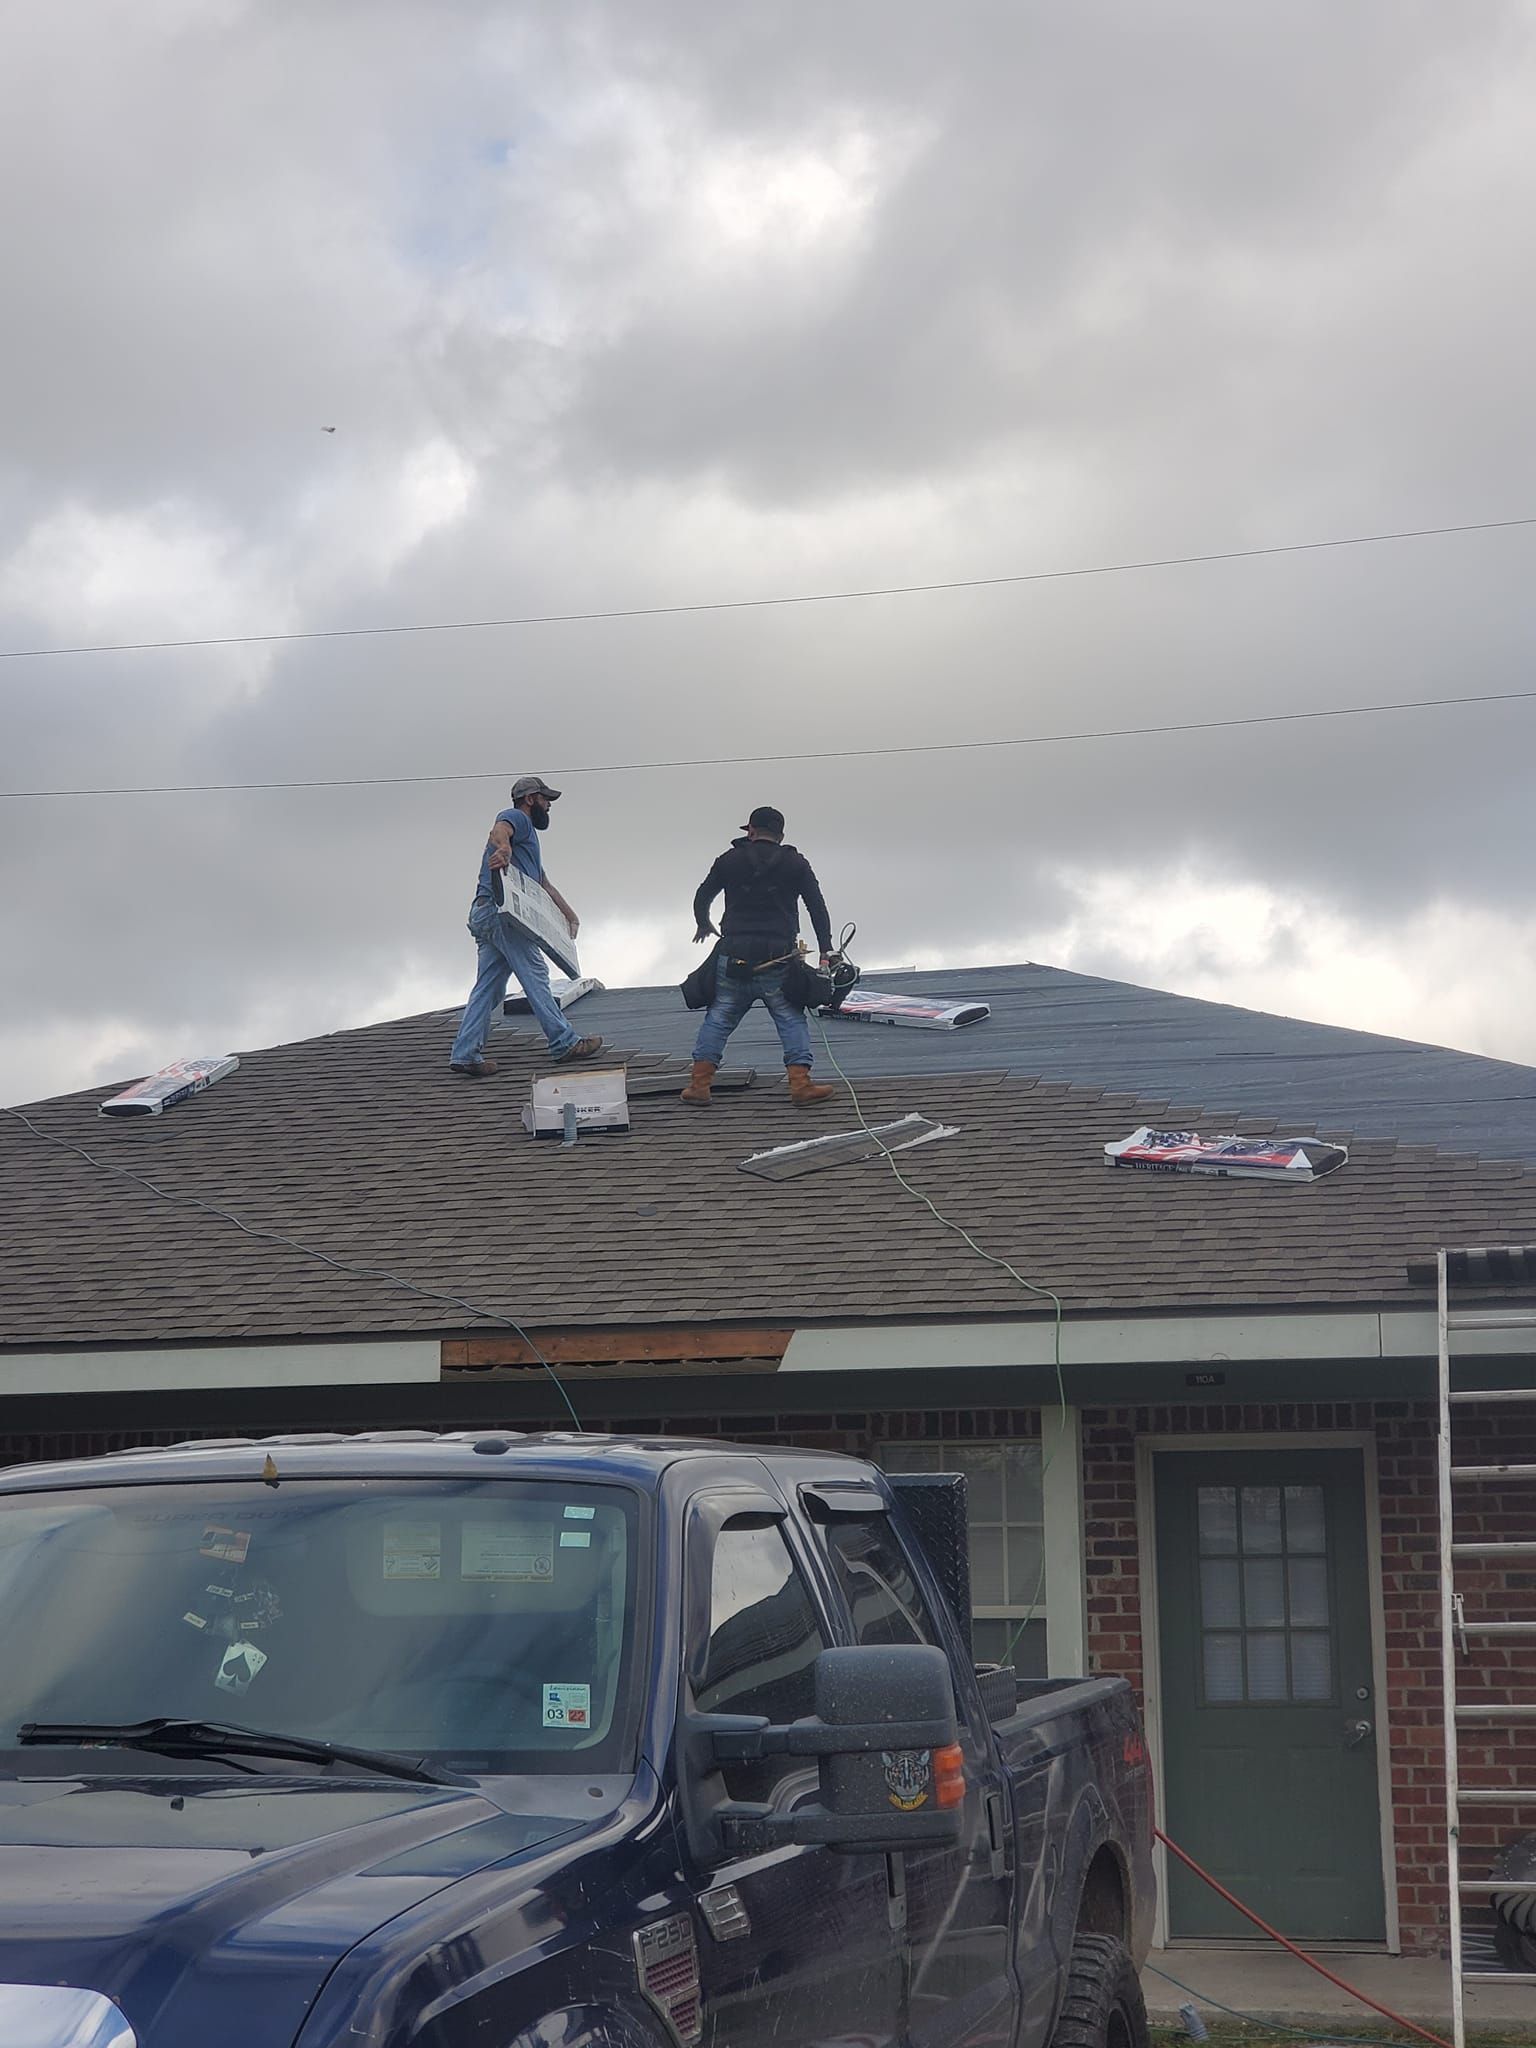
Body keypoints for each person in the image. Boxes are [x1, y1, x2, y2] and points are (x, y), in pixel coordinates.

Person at [449, 775, 602, 1077]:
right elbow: (498, 830)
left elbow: (543, 883)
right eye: (546, 800)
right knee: (535, 973)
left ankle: (465, 1053)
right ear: (531, 799)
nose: (548, 806)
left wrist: (569, 915)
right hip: (502, 913)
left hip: (485, 913)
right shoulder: (518, 818)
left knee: (489, 988)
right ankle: (564, 1042)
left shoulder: (529, 844)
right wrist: (503, 849)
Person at [682, 804, 835, 1107]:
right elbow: (817, 907)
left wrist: (703, 922)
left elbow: (703, 895)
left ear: (751, 831)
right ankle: (800, 1085)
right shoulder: (796, 864)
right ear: (781, 834)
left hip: (734, 955)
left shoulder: (729, 860)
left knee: (720, 1016)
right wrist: (826, 950)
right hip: (778, 957)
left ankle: (699, 1086)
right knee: (790, 1018)